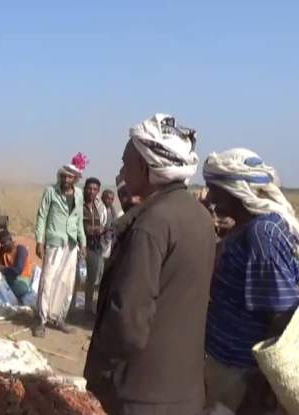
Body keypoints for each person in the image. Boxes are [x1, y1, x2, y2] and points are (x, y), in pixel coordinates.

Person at [84, 113, 216, 415]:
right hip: (185, 393)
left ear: (145, 167)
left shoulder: (151, 225)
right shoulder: (199, 217)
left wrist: (103, 373)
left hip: (140, 397)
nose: (120, 169)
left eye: (125, 162)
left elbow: (127, 324)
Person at [202, 148, 299, 414]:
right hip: (230, 366)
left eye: (214, 190)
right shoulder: (250, 228)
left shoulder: (262, 234)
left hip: (241, 372)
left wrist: (262, 383)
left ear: (236, 190)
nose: (211, 198)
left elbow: (281, 316)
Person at [34, 154, 87, 337]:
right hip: (54, 242)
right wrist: (39, 241)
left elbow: (78, 219)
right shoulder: (51, 192)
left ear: (76, 179)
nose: (65, 179)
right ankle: (41, 320)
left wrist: (83, 242)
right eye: (63, 175)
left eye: (69, 177)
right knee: (48, 280)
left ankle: (58, 318)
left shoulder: (79, 195)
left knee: (66, 282)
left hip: (71, 244)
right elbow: (42, 216)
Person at [82, 177, 108, 315]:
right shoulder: (78, 204)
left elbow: (103, 223)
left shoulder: (99, 207)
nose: (91, 192)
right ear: (85, 188)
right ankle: (69, 308)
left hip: (95, 246)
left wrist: (101, 230)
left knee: (92, 279)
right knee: (75, 278)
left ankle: (87, 308)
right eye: (89, 188)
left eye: (95, 189)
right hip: (81, 245)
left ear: (98, 191)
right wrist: (90, 230)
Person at [0, 230, 35, 302]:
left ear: (10, 240)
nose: (2, 246)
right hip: (9, 279)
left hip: (22, 281)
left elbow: (18, 270)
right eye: (1, 243)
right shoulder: (2, 250)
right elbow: (1, 268)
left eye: (4, 243)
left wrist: (3, 269)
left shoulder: (21, 249)